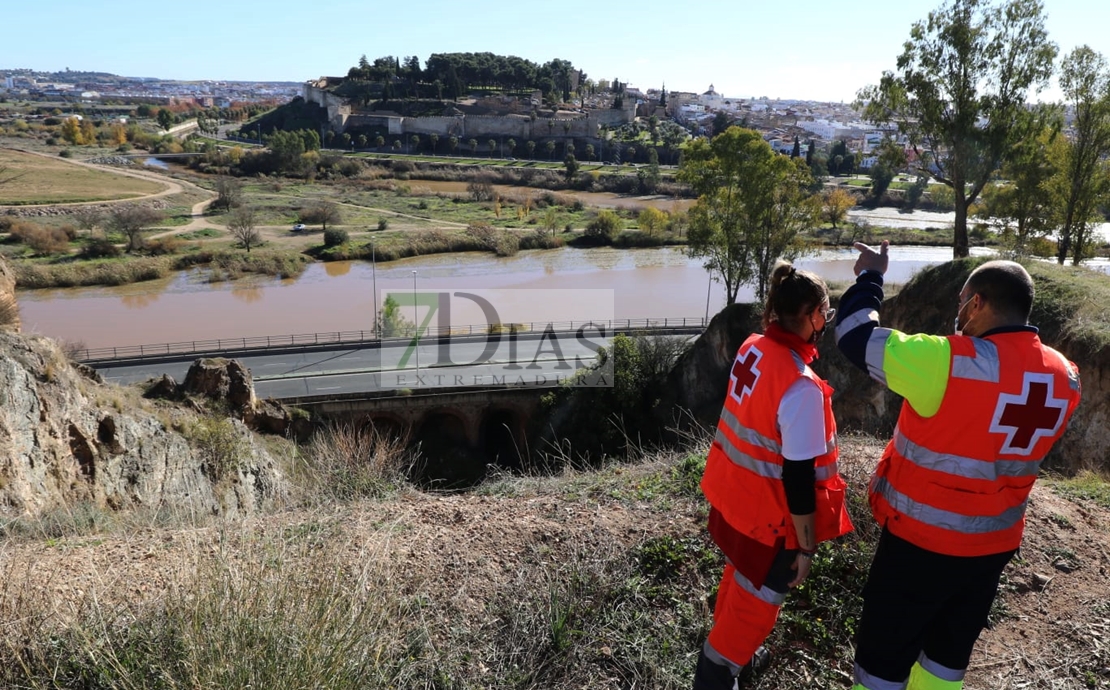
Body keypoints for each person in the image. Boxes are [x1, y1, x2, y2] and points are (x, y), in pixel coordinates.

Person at [835, 242, 1081, 690]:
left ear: (978, 303)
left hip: (919, 547)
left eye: (962, 302)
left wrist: (871, 275)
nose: (959, 311)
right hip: (991, 550)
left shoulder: (947, 362)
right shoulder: (1066, 376)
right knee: (946, 660)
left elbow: (853, 334)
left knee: (880, 665)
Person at [694, 261, 853, 689]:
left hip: (733, 505)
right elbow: (799, 480)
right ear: (815, 315)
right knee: (752, 610)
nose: (826, 323)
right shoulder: (801, 387)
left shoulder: (752, 347)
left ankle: (737, 658)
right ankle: (719, 668)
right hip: (769, 527)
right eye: (827, 315)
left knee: (737, 580)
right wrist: (806, 549)